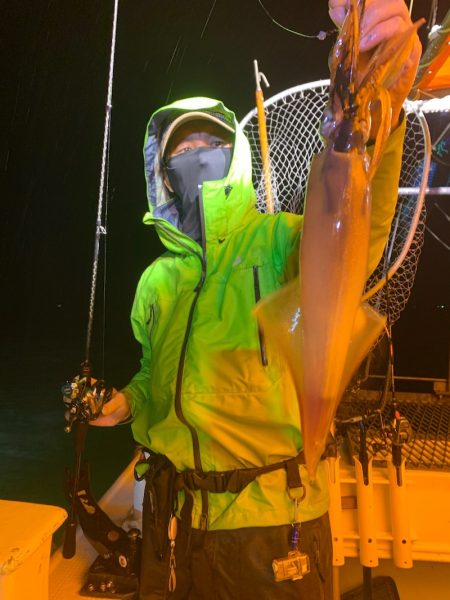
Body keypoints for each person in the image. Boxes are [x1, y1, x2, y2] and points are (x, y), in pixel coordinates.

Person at [92, 1, 421, 598]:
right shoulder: (156, 282)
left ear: (235, 159)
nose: (196, 155)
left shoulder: (279, 242)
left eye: (209, 144)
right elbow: (154, 380)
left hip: (275, 523)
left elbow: (357, 232)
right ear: (164, 174)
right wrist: (124, 403)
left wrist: (381, 116)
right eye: (182, 150)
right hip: (177, 527)